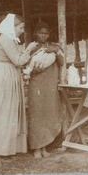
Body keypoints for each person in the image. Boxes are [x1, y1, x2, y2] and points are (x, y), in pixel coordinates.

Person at [0, 13, 38, 156]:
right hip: (5, 76)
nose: (22, 30)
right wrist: (29, 49)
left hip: (9, 74)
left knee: (8, 110)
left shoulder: (10, 39)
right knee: (4, 110)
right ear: (13, 27)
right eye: (21, 27)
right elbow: (18, 61)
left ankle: (7, 147)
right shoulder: (5, 39)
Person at [27, 22, 64, 159]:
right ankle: (36, 147)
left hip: (49, 86)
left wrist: (55, 50)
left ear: (50, 34)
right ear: (36, 33)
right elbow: (25, 66)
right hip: (36, 85)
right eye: (40, 33)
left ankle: (45, 147)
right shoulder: (32, 48)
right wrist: (33, 71)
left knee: (49, 114)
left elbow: (61, 62)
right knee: (36, 115)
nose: (43, 35)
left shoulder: (54, 46)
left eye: (46, 33)